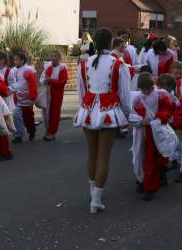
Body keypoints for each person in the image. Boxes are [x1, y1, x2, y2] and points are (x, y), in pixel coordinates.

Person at [74, 28, 131, 213]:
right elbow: (124, 95)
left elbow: (81, 92)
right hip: (109, 110)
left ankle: (94, 195)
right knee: (104, 157)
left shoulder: (84, 63)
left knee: (91, 153)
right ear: (110, 43)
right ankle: (96, 200)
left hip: (89, 110)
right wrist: (128, 115)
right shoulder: (118, 64)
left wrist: (85, 108)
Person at [131, 72, 173, 201]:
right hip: (141, 131)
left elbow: (168, 109)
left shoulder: (161, 94)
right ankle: (142, 179)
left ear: (152, 85)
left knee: (151, 158)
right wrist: (139, 121)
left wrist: (158, 119)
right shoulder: (137, 97)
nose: (145, 91)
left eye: (147, 88)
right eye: (143, 89)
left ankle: (149, 186)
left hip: (155, 131)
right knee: (138, 156)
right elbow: (131, 114)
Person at [8, 51, 37, 143]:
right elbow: (13, 83)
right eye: (14, 60)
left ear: (22, 60)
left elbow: (32, 84)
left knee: (28, 118)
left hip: (27, 99)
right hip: (18, 99)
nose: (14, 61)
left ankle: (31, 132)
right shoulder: (14, 70)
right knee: (16, 116)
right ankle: (19, 135)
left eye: (16, 60)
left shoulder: (28, 70)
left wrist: (32, 96)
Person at [40, 50, 68, 141]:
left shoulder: (62, 68)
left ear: (59, 58)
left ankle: (52, 132)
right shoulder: (48, 67)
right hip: (48, 93)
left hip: (57, 94)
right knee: (46, 113)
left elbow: (62, 82)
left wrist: (50, 81)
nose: (53, 58)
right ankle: (48, 129)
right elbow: (42, 78)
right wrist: (44, 81)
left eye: (55, 56)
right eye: (52, 56)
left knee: (55, 113)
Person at [171, 62, 182, 182]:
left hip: (179, 117)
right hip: (173, 118)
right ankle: (175, 161)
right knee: (175, 142)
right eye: (176, 73)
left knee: (180, 144)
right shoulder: (170, 85)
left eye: (180, 73)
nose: (178, 75)